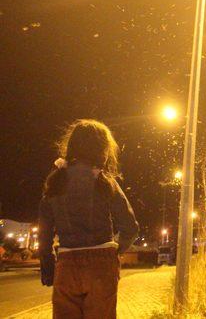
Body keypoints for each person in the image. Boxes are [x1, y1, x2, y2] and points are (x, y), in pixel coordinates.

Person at [39, 119, 139, 318]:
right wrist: (114, 251)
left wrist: (48, 267)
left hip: (66, 264)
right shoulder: (103, 181)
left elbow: (44, 234)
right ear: (102, 148)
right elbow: (130, 227)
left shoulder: (56, 181)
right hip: (101, 266)